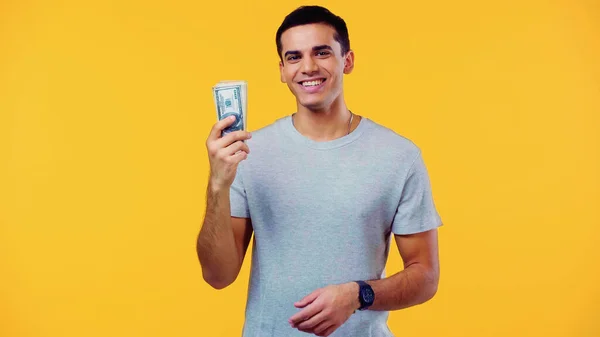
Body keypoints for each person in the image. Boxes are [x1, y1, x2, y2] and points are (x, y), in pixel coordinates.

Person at [196, 5, 443, 337]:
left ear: (348, 60)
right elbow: (218, 276)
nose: (308, 67)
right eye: (294, 57)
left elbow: (425, 276)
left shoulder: (399, 156)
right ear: (282, 70)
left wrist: (359, 294)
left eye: (322, 52)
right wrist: (217, 186)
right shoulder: (248, 154)